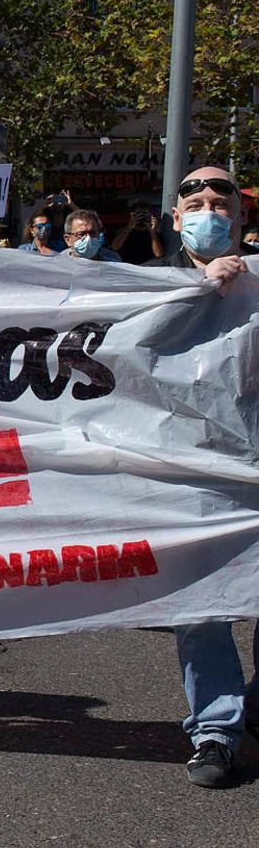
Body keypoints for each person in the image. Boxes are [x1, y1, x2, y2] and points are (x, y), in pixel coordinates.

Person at [151, 166, 257, 787]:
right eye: (197, 200)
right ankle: (215, 730)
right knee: (203, 607)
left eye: (222, 201)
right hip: (187, 465)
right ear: (177, 215)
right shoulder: (139, 285)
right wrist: (194, 293)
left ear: (240, 217)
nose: (209, 209)